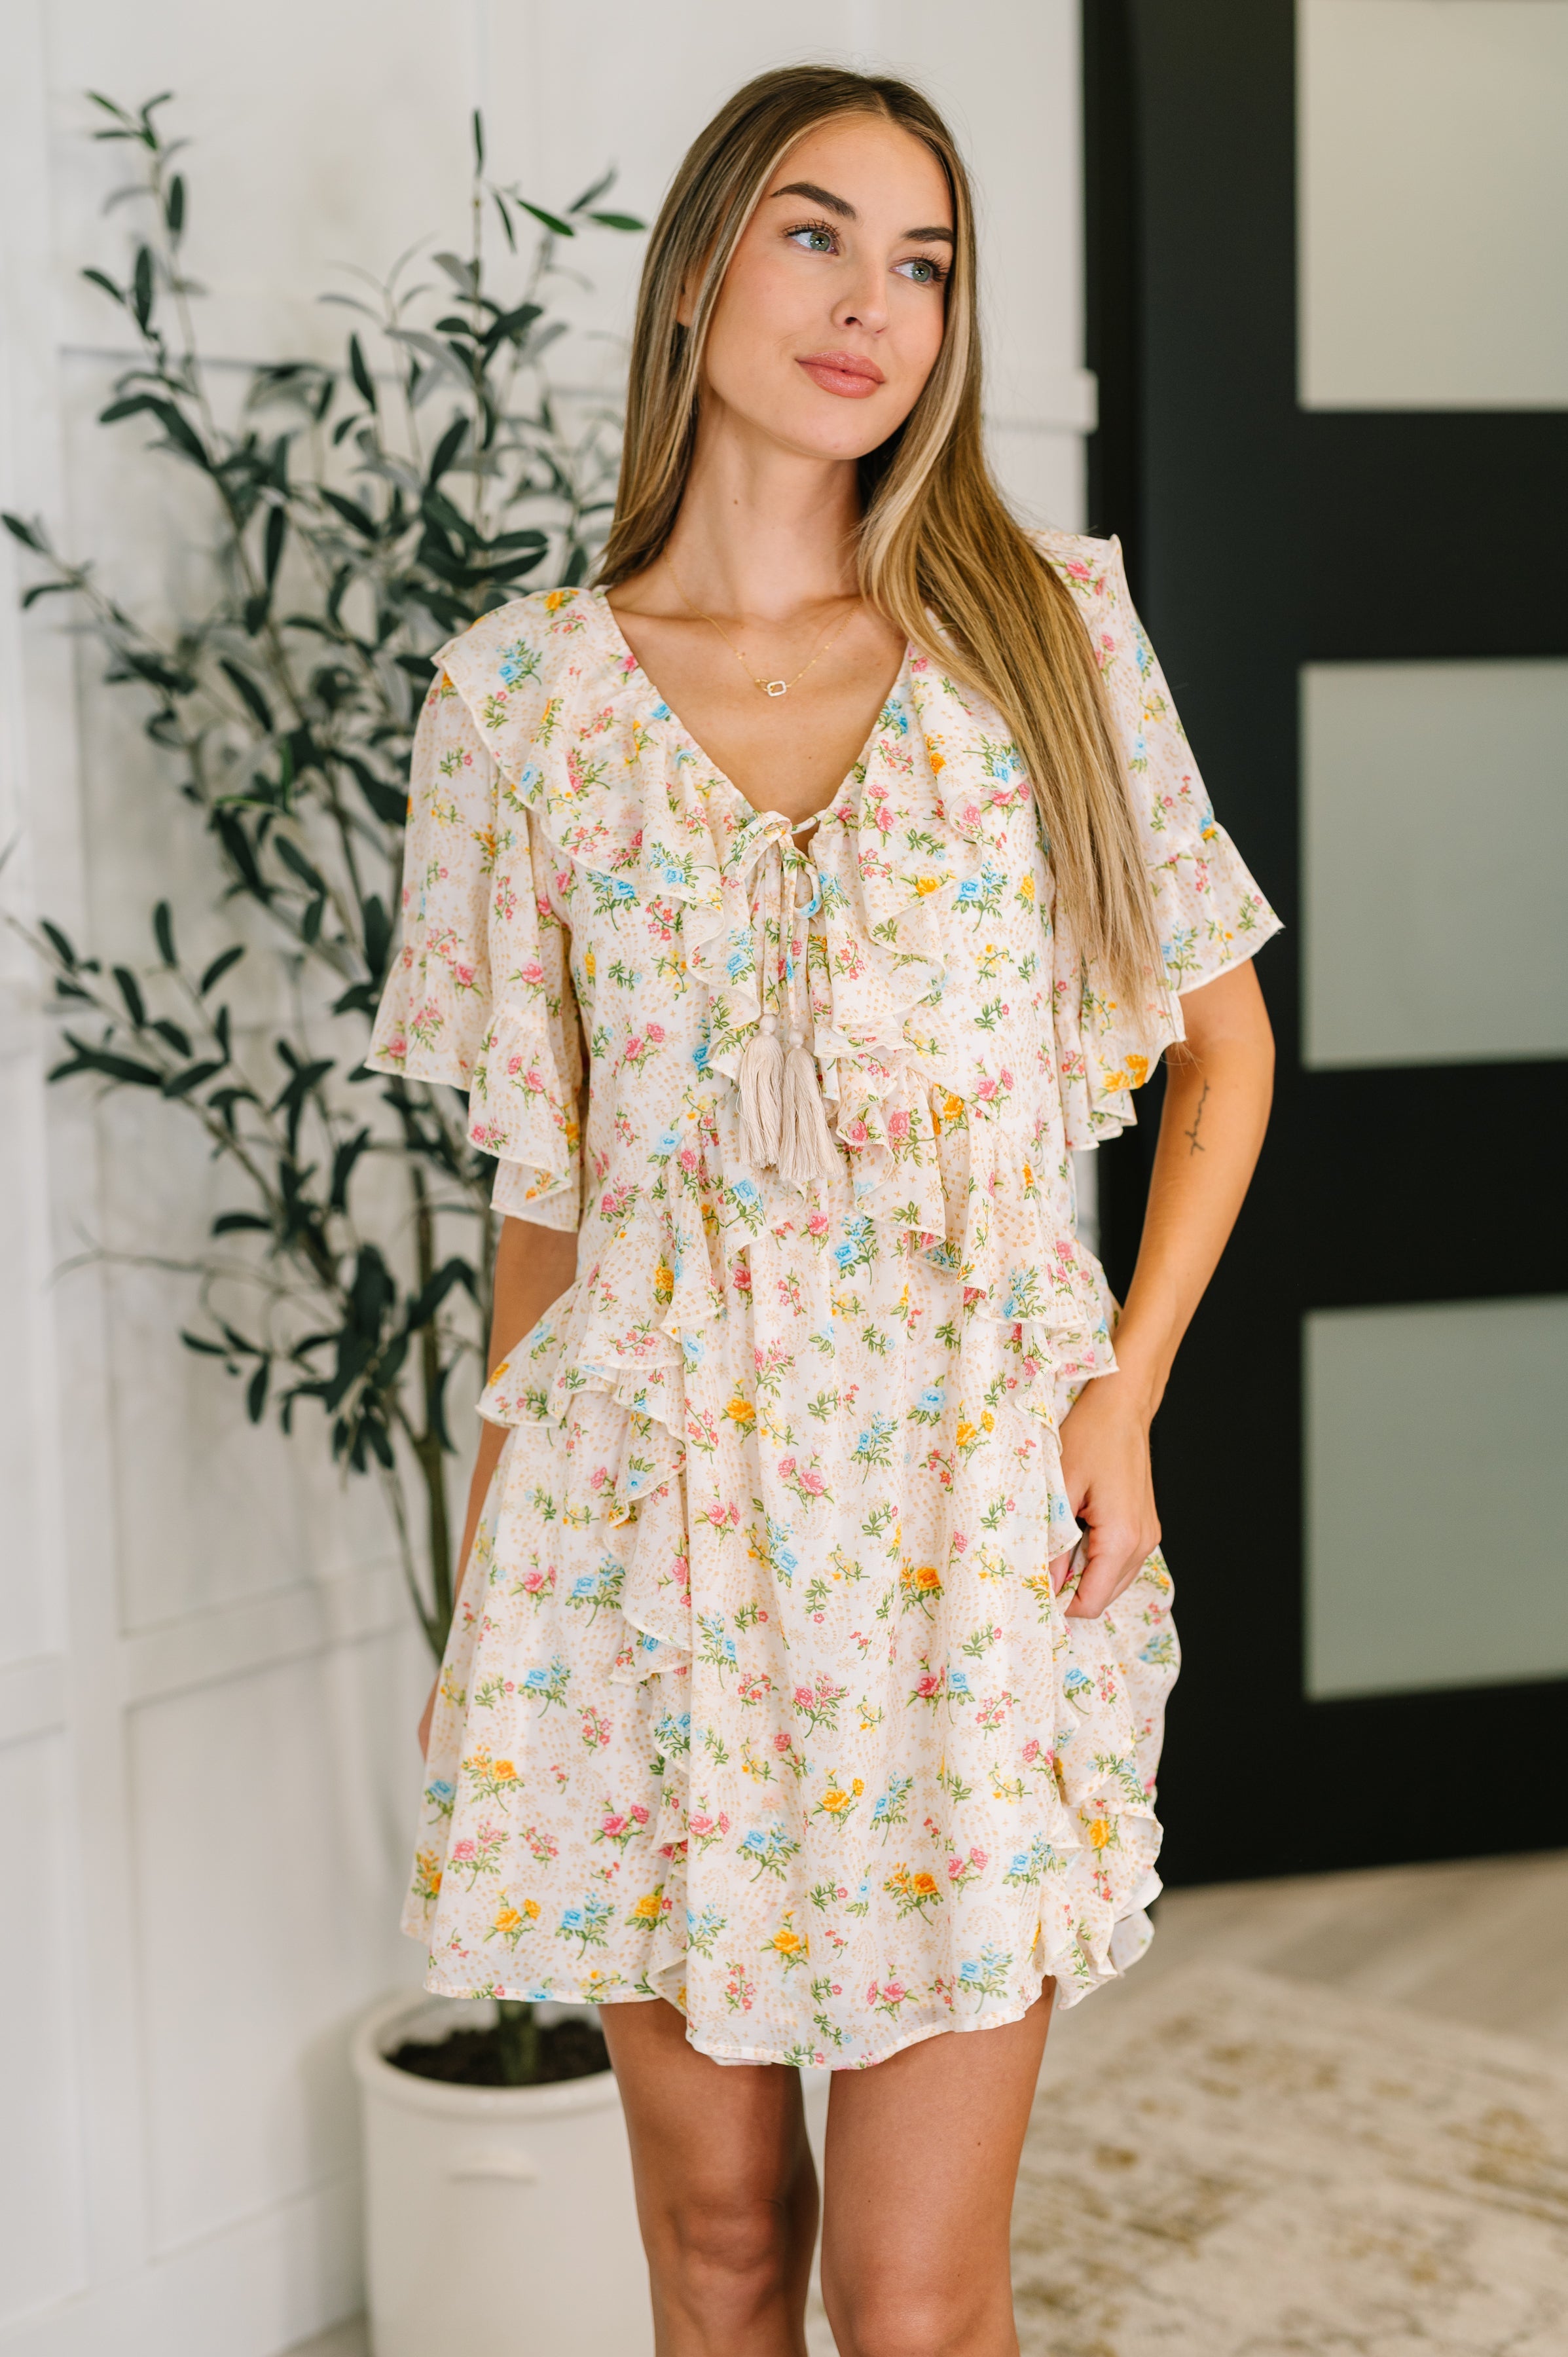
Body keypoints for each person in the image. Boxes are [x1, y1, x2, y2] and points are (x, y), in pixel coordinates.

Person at [369, 62, 1279, 2357]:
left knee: (914, 2296)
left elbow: (1223, 1056)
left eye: (925, 259)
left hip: (966, 1517)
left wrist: (1124, 1397)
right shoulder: (515, 712)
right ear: (697, 273)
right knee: (715, 2257)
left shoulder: (1041, 636)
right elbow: (544, 1206)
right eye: (814, 233)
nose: (872, 301)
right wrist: (501, 1585)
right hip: (644, 1535)